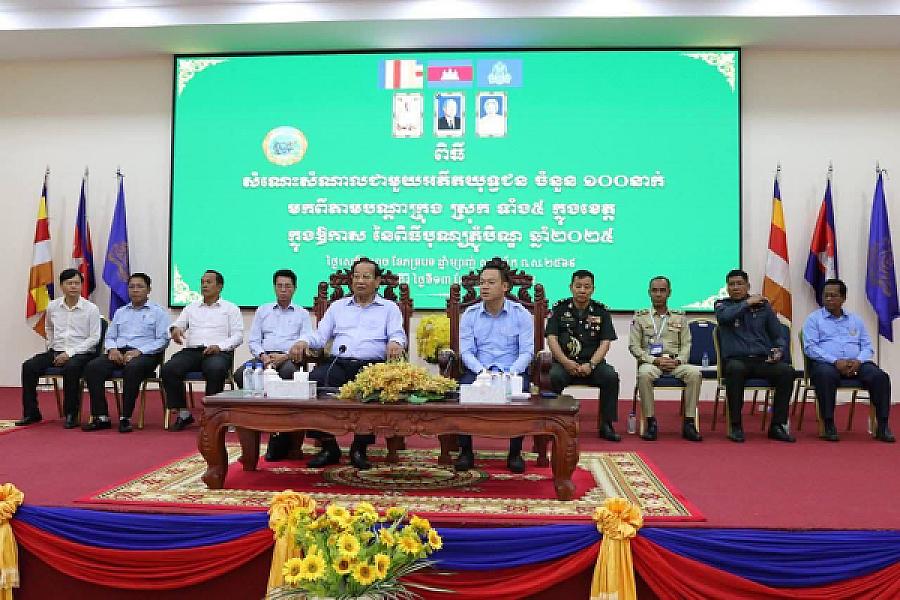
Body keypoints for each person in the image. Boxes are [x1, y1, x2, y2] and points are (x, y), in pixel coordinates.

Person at [291, 258, 406, 470]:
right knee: (314, 384)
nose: (360, 281)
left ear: (377, 281)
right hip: (338, 363)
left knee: (373, 389)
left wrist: (395, 343)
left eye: (366, 277)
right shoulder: (338, 307)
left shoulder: (389, 308)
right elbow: (320, 335)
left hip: (372, 366)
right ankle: (328, 447)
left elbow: (398, 334)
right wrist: (303, 341)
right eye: (356, 276)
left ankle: (359, 447)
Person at [454, 259, 534, 473]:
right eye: (482, 283)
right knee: (463, 392)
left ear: (505, 287)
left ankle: (515, 452)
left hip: (512, 371)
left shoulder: (521, 314)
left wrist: (511, 373)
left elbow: (527, 351)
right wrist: (482, 372)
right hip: (480, 370)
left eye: (490, 282)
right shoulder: (470, 315)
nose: (484, 287)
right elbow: (467, 351)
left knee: (519, 395)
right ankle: (466, 451)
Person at [801, 278, 894, 442]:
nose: (828, 299)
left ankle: (883, 426)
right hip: (827, 364)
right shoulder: (814, 319)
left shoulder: (855, 320)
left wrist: (858, 360)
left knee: (880, 377)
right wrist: (835, 361)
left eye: (833, 296)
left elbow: (867, 346)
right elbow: (810, 348)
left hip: (856, 364)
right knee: (824, 375)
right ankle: (828, 424)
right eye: (826, 295)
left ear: (843, 298)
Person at [237, 269, 313, 459]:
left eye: (287, 286)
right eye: (279, 286)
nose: (283, 290)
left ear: (295, 289)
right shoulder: (263, 310)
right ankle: (255, 421)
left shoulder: (302, 313)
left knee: (286, 376)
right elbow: (254, 339)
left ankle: (280, 430)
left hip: (288, 359)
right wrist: (263, 356)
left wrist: (285, 356)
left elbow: (306, 339)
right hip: (265, 357)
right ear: (274, 288)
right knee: (241, 374)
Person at [81, 273, 169, 433]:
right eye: (131, 287)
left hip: (146, 355)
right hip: (119, 351)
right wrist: (113, 349)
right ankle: (101, 416)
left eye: (140, 286)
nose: (135, 290)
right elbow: (110, 336)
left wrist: (139, 351)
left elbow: (163, 340)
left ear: (149, 290)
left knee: (133, 368)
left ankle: (125, 417)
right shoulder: (121, 312)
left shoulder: (158, 312)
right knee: (93, 367)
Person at [714, 269, 795, 443]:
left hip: (761, 360)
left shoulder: (763, 307)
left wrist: (779, 350)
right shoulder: (722, 305)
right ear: (727, 288)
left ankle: (777, 425)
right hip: (736, 361)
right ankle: (735, 426)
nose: (735, 287)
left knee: (787, 372)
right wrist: (748, 303)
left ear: (748, 286)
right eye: (731, 284)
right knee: (735, 370)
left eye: (740, 284)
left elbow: (778, 335)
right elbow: (725, 318)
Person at [17, 268, 101, 429]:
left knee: (71, 368)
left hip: (82, 353)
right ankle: (31, 413)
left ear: (82, 286)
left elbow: (94, 338)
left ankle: (71, 413)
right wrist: (51, 345)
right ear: (62, 286)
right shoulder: (53, 306)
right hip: (56, 350)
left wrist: (69, 353)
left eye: (77, 283)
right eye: (69, 283)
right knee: (29, 366)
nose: (73, 287)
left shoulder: (91, 309)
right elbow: (48, 328)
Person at [160, 269, 243, 431]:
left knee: (216, 369)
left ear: (220, 287)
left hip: (218, 351)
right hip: (193, 351)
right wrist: (174, 330)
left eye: (209, 282)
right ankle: (183, 414)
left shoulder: (230, 309)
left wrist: (219, 346)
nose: (204, 285)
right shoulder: (191, 307)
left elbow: (238, 336)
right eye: (203, 282)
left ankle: (210, 415)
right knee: (169, 369)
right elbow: (177, 325)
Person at [546, 269, 621, 441]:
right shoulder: (559, 310)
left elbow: (605, 342)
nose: (582, 290)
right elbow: (552, 339)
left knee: (610, 376)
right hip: (564, 365)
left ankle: (606, 424)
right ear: (570, 287)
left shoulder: (601, 312)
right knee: (551, 377)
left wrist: (592, 364)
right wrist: (565, 362)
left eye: (587, 287)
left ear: (593, 289)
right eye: (578, 286)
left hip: (592, 364)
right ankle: (552, 424)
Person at [628, 276, 702, 441]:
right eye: (655, 290)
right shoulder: (640, 317)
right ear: (649, 293)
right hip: (651, 363)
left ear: (669, 292)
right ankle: (650, 422)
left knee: (694, 373)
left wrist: (678, 361)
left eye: (662, 290)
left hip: (675, 362)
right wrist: (654, 360)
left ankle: (689, 423)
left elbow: (686, 344)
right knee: (644, 374)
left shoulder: (680, 317)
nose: (658, 294)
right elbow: (634, 347)